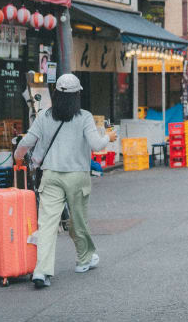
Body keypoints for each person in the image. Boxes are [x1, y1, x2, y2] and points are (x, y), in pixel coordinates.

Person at [14, 74, 116, 288]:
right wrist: (109, 137)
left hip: (51, 175)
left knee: (47, 224)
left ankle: (41, 271)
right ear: (77, 95)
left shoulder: (44, 116)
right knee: (78, 219)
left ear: (56, 94)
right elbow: (97, 145)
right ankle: (83, 259)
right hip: (77, 176)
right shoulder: (85, 117)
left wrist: (18, 157)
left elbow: (27, 142)